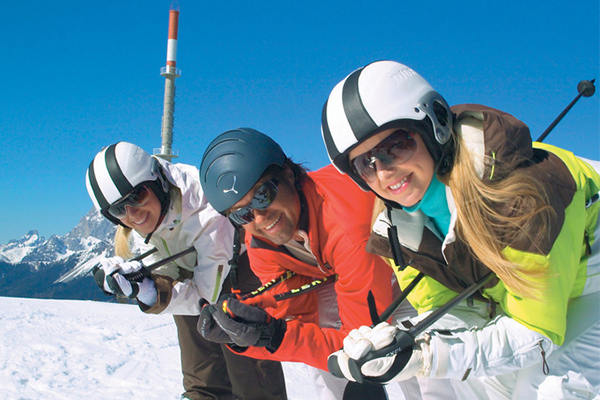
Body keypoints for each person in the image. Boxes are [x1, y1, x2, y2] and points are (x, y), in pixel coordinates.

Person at [321, 60, 600, 398]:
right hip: (546, 296)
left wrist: (429, 357)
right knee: (480, 383)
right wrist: (403, 342)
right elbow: (455, 312)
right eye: (365, 163)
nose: (383, 172)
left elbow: (536, 331)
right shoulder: (399, 232)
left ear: (434, 125)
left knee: (550, 389)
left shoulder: (520, 195)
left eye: (395, 146)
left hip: (589, 285)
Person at [197, 128, 413, 399]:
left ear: (288, 173)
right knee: (327, 337)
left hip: (405, 267)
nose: (260, 218)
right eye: (242, 214)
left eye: (263, 195)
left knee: (410, 355)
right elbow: (301, 319)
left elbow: (363, 343)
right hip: (349, 275)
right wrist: (253, 333)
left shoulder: (346, 224)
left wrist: (276, 337)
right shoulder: (261, 245)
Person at [85, 141, 287, 400]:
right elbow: (170, 282)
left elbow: (204, 298)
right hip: (191, 269)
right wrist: (142, 284)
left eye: (137, 196)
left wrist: (152, 292)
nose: (132, 214)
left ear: (157, 182)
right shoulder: (142, 223)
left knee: (241, 338)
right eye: (117, 209)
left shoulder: (205, 210)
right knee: (198, 356)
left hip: (235, 264)